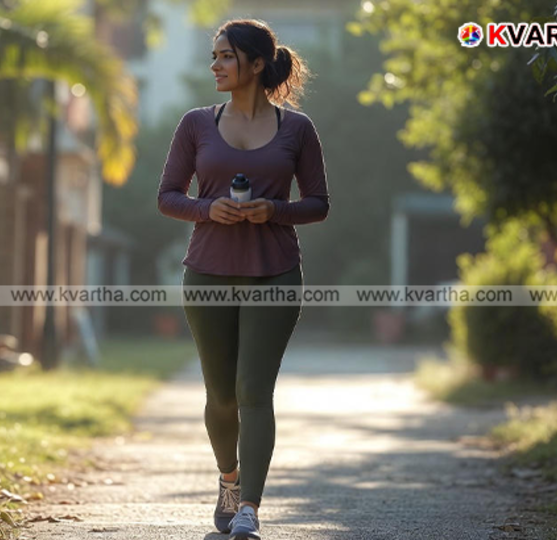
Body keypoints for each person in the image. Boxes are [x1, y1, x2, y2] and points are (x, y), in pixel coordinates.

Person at [157, 18, 330, 540]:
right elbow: (168, 196)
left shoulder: (297, 129)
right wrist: (210, 210)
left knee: (254, 391)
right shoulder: (195, 123)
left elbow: (318, 204)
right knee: (222, 397)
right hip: (206, 273)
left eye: (225, 56)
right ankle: (228, 480)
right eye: (214, 56)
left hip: (275, 273)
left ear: (256, 63)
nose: (215, 65)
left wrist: (271, 210)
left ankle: (250, 507)